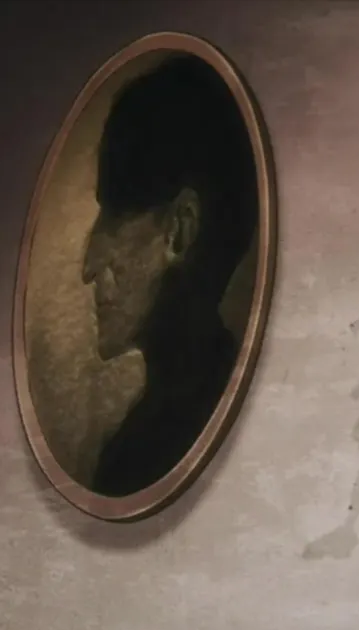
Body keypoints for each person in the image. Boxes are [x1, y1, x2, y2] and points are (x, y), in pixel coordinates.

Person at [81, 54, 258, 497]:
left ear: (180, 230)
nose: (87, 266)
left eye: (115, 217)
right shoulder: (148, 438)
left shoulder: (142, 454)